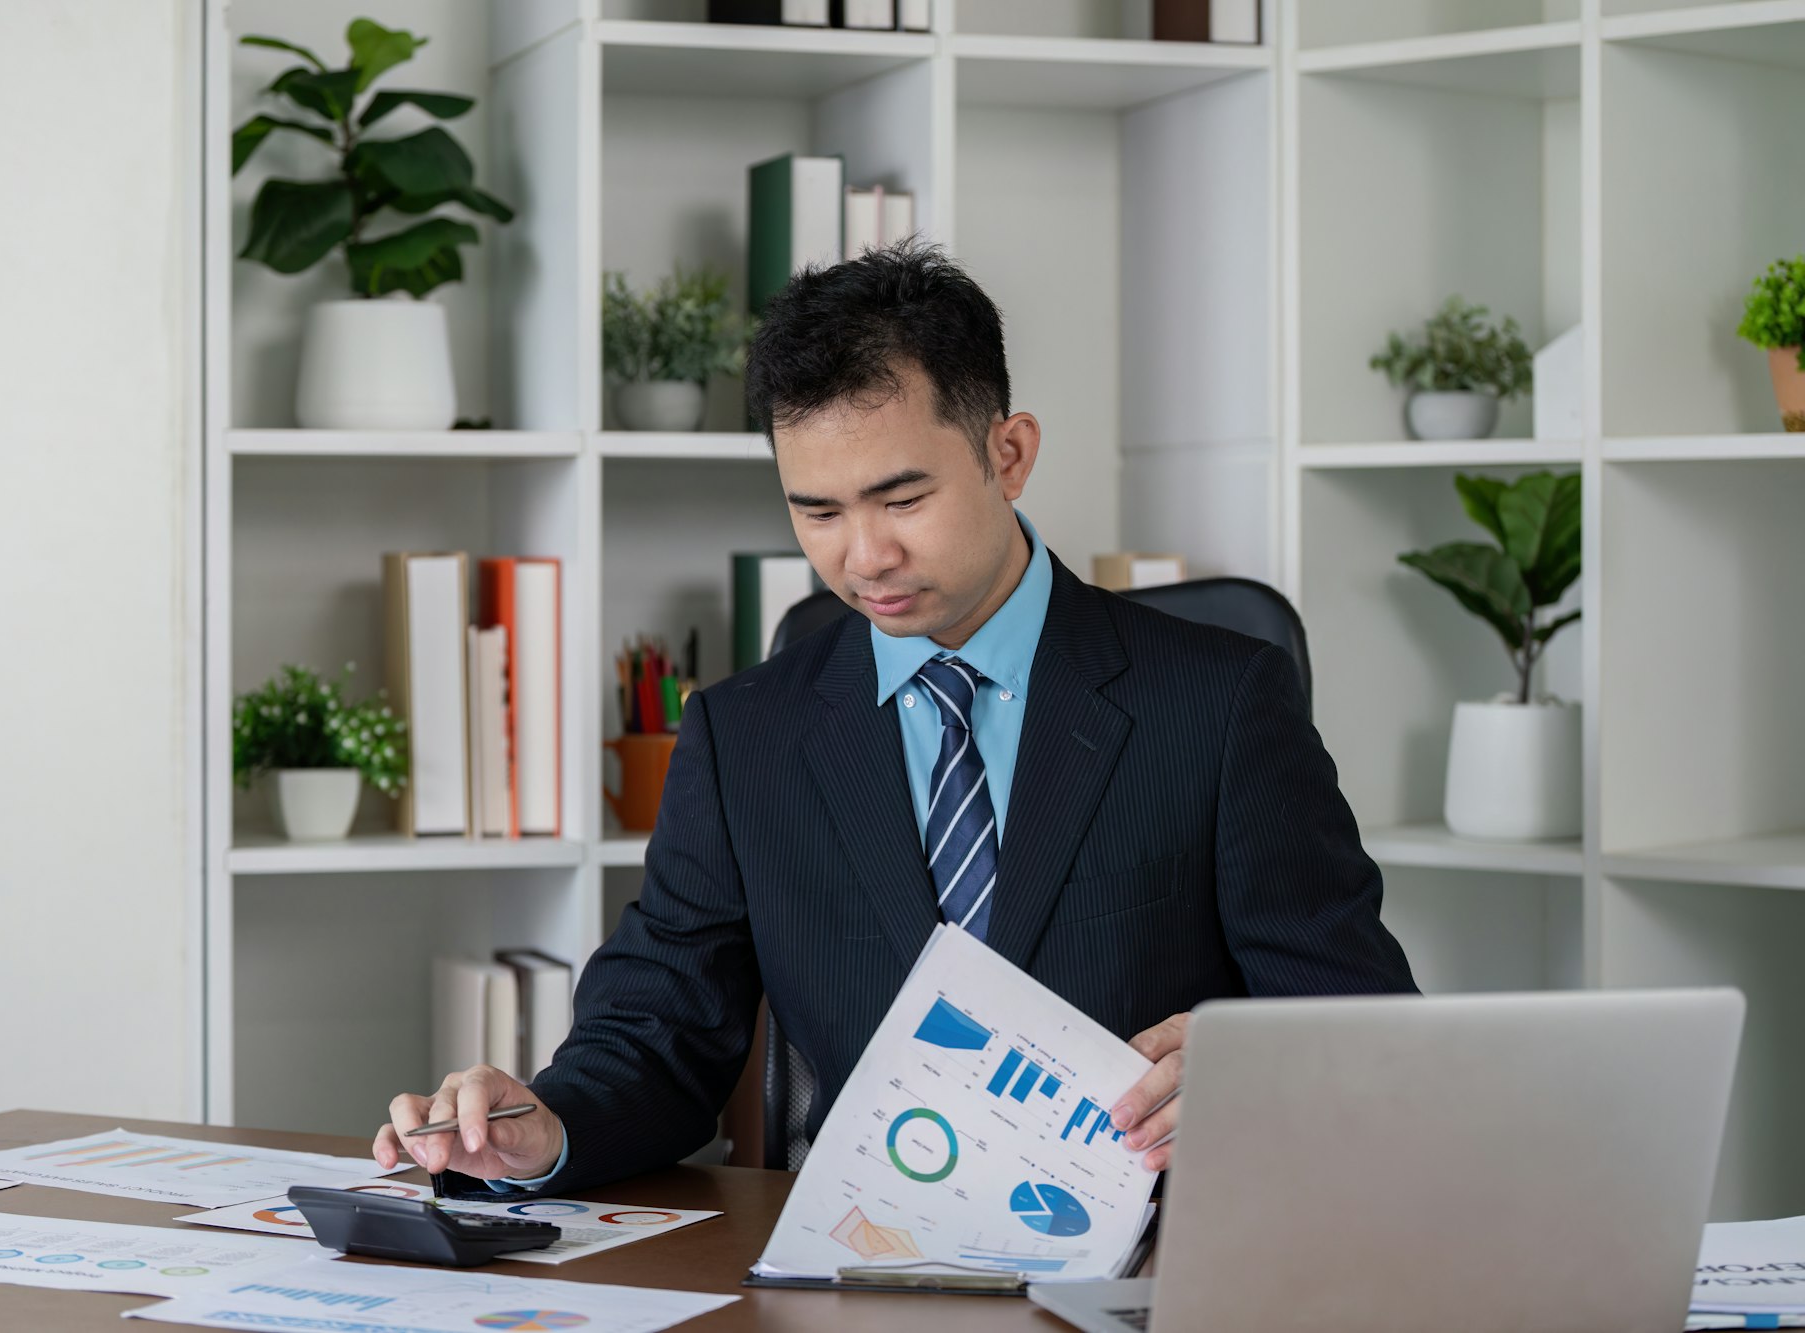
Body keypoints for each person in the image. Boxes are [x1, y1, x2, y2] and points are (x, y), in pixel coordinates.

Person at [375, 240, 1416, 1194]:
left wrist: (1248, 1072)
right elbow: (656, 1034)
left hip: (1150, 1250)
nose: (860, 557)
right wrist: (542, 1128)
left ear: (1007, 454)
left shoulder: (1219, 703)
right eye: (815, 511)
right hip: (867, 1251)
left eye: (901, 500)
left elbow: (1361, 1034)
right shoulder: (748, 736)